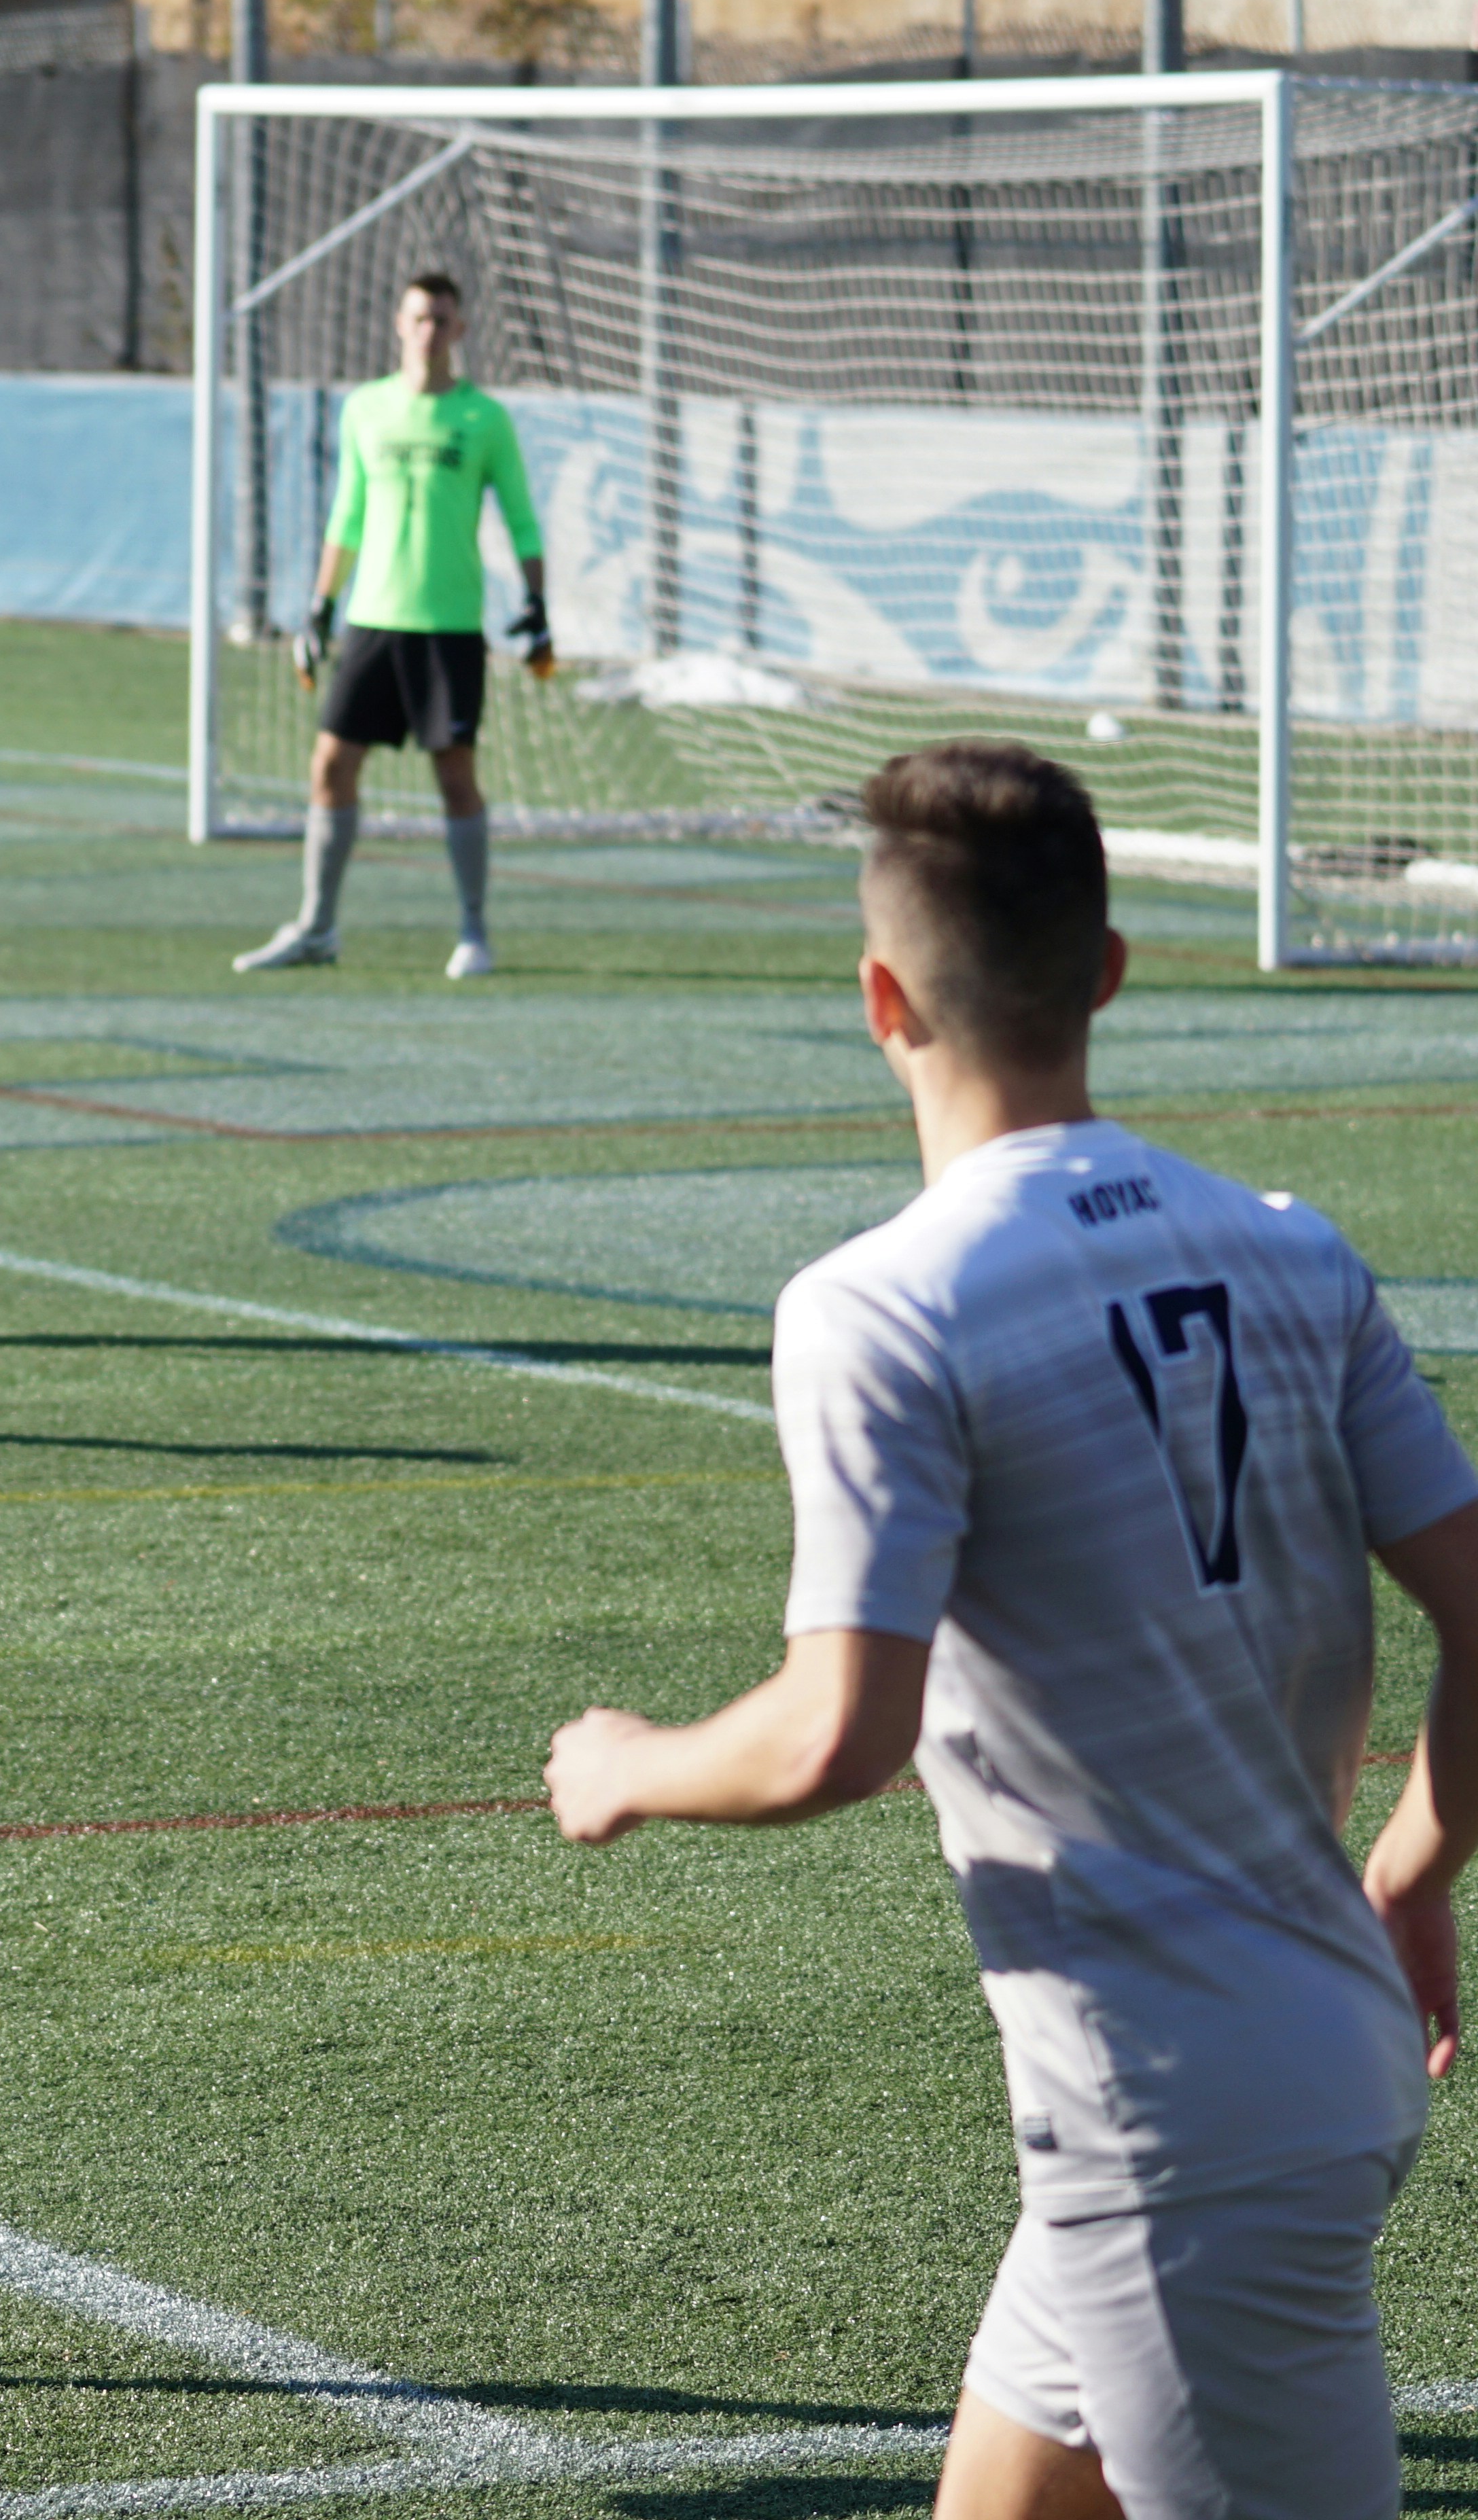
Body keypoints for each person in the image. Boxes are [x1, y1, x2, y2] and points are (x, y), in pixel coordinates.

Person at [544, 741, 1478, 2520]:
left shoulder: (882, 1309)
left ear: (882, 998)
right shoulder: (1294, 1251)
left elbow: (844, 1734)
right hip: (1272, 2060)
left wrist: (628, 1767)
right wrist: (1417, 1870)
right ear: (1111, 971)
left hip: (1174, 2117)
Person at [236, 272, 550, 980]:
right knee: (330, 766)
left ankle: (474, 930)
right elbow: (347, 514)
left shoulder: (483, 419)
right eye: (419, 318)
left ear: (461, 331)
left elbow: (522, 518)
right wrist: (321, 603)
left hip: (448, 625)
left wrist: (538, 604)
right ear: (398, 325)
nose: (430, 331)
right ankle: (317, 925)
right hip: (373, 621)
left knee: (455, 776)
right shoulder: (366, 410)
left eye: (442, 319)